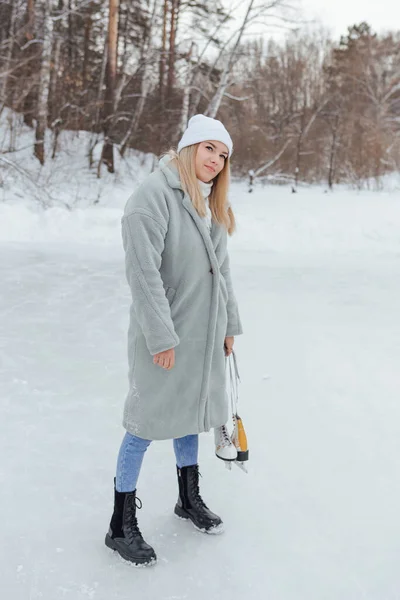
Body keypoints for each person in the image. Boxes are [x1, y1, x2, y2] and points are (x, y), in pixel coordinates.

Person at [105, 114, 243, 567]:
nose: (216, 161)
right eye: (210, 149)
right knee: (143, 424)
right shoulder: (152, 196)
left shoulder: (209, 204)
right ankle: (119, 524)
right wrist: (161, 337)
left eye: (223, 156)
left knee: (191, 418)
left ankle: (188, 499)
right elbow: (142, 274)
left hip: (203, 335)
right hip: (163, 334)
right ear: (188, 147)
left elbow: (221, 273)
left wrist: (228, 326)